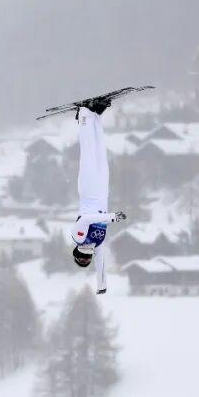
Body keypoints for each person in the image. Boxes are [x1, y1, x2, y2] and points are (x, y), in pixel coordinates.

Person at [70, 98, 126, 294]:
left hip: (89, 193)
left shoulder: (78, 236)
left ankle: (84, 115)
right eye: (87, 260)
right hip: (102, 194)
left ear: (77, 253)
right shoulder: (98, 244)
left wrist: (112, 217)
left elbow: (87, 219)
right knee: (101, 154)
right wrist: (102, 285)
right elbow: (101, 264)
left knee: (89, 153)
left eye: (82, 259)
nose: (86, 258)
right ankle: (96, 116)